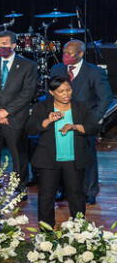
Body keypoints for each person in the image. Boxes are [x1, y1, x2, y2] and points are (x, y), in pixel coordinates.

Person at [26, 77, 98, 227]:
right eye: (61, 91)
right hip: (48, 160)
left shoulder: (81, 107)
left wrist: (75, 126)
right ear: (52, 92)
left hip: (74, 159)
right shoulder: (42, 107)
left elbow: (93, 127)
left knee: (76, 196)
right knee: (46, 197)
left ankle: (78, 230)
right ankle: (46, 232)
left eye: (68, 90)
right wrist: (47, 121)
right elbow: (30, 129)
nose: (66, 94)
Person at [50, 40, 113, 205]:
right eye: (64, 52)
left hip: (85, 122)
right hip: (61, 120)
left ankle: (89, 191)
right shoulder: (56, 69)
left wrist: (94, 118)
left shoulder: (94, 72)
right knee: (61, 156)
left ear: (80, 54)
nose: (65, 56)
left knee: (87, 157)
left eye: (70, 53)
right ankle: (62, 189)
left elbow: (105, 97)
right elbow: (50, 92)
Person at [0, 31, 38, 189]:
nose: (0, 47)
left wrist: (6, 112)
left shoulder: (28, 65)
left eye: (4, 44)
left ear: (13, 45)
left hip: (15, 118)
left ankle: (19, 188)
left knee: (18, 155)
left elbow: (28, 93)